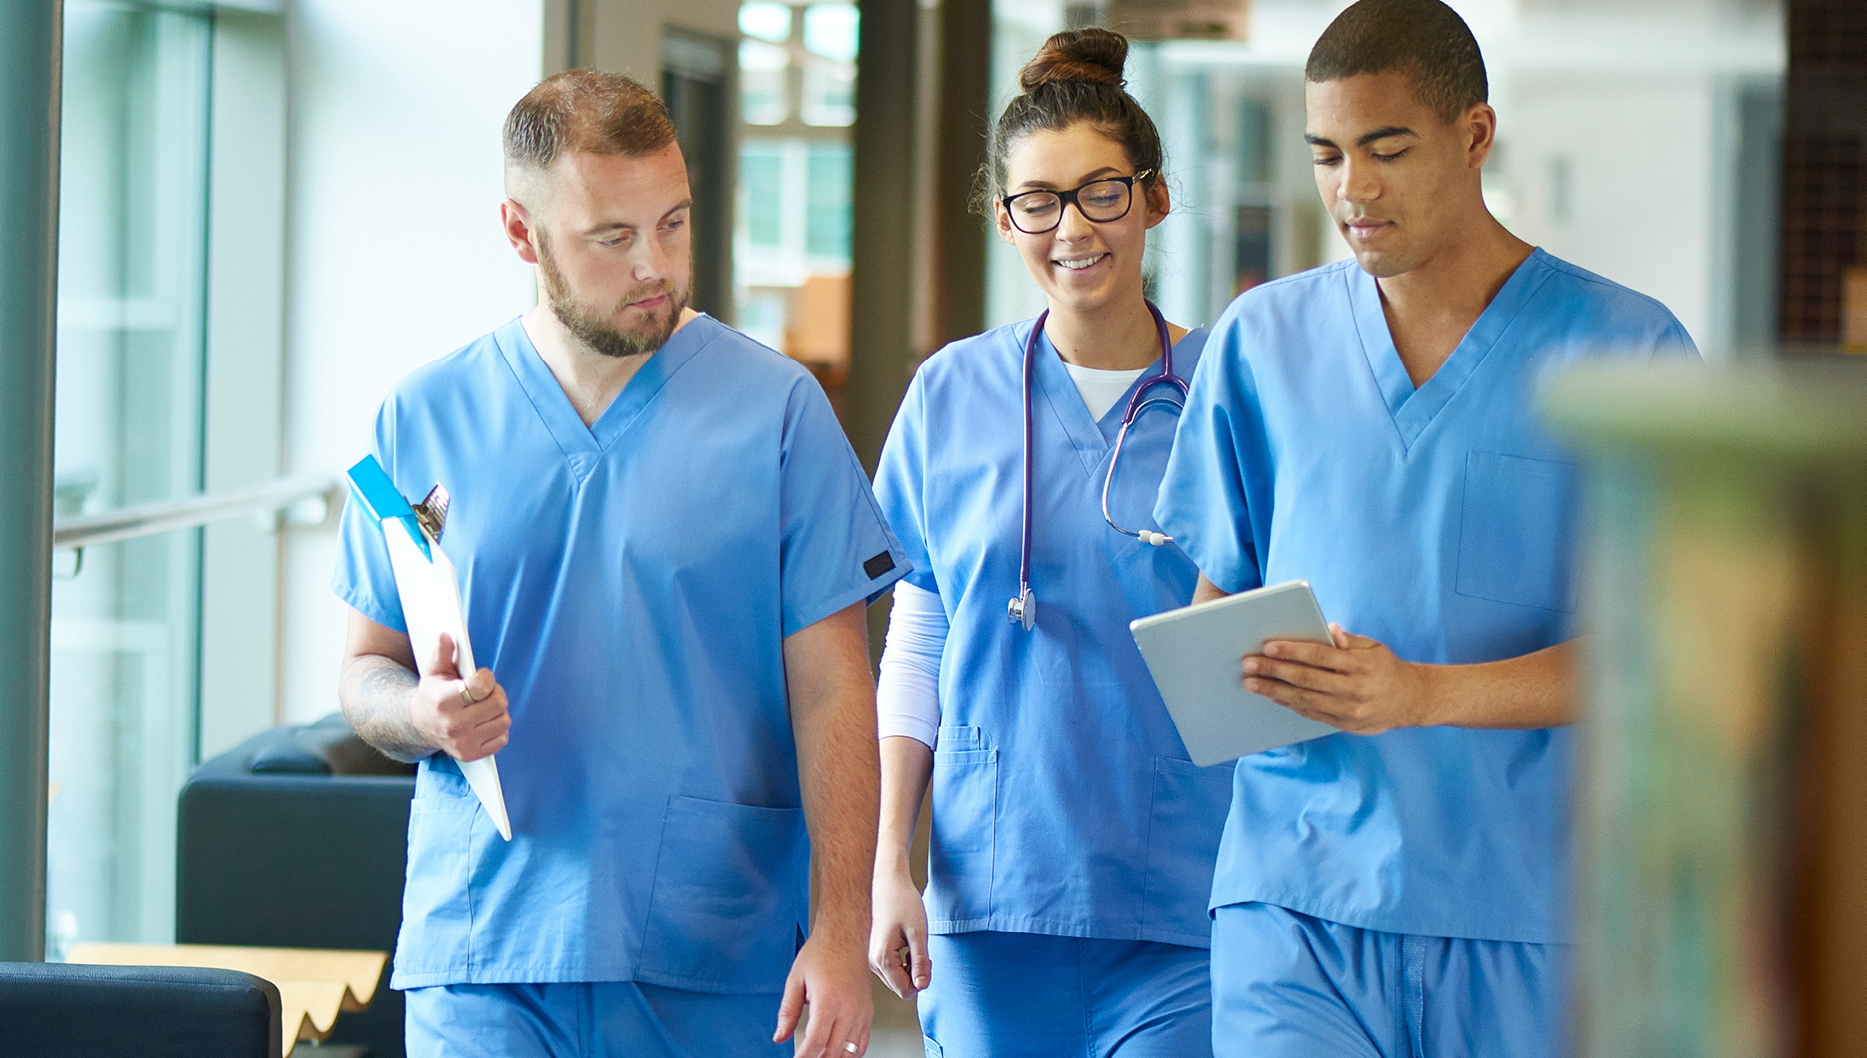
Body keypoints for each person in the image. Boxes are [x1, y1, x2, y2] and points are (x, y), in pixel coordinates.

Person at [1152, 2, 1699, 1056]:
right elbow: (1220, 593)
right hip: (1293, 897)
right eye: (1325, 154)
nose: (1350, 189)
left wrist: (1419, 694)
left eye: (1385, 148)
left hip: (1527, 912)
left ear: (1475, 134)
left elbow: (1663, 656)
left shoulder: (1627, 352)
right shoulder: (1264, 339)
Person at [332, 69, 905, 1058]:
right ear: (521, 233)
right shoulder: (421, 415)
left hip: (713, 947)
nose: (657, 265)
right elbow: (364, 670)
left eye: (673, 224)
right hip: (484, 944)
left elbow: (834, 694)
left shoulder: (776, 413)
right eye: (613, 237)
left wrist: (841, 928)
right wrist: (419, 713)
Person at [868, 27, 1234, 1058]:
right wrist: (892, 860)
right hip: (992, 893)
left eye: (1101, 192)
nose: (1072, 227)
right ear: (1005, 216)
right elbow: (920, 635)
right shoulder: (948, 393)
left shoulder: (1223, 396)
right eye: (1039, 200)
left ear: (1154, 198)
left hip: (1185, 895)